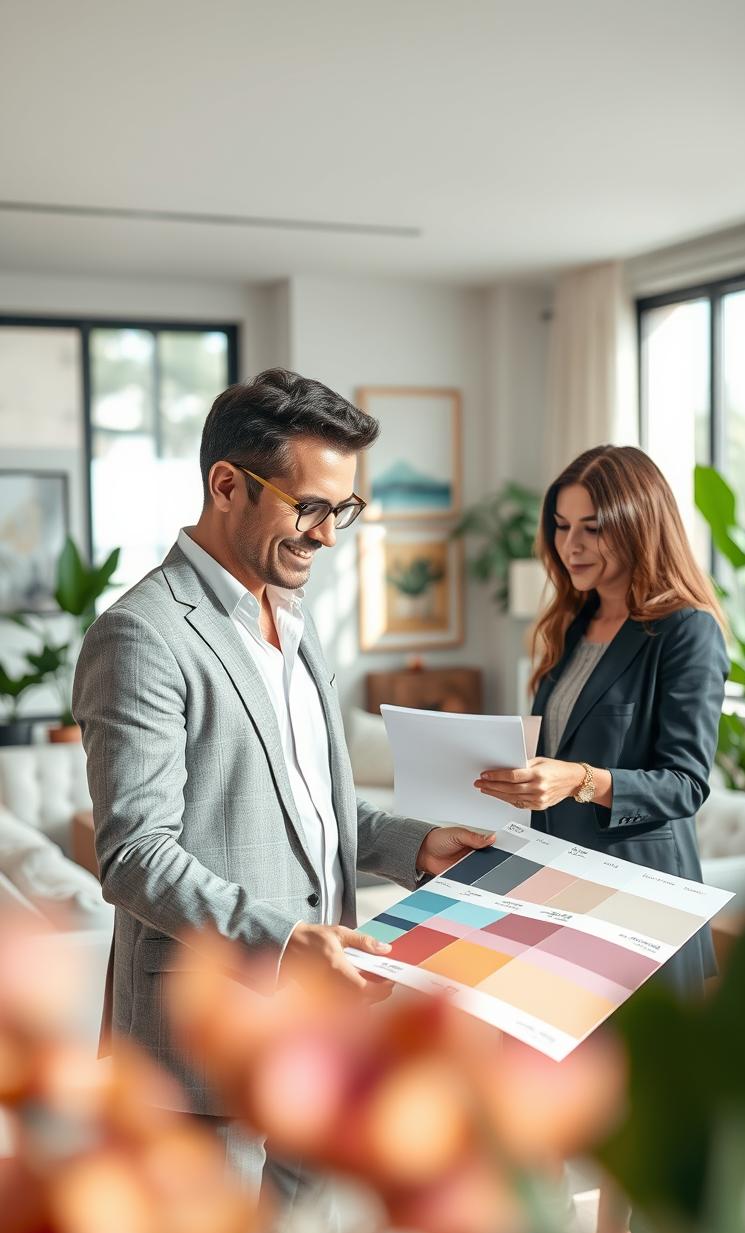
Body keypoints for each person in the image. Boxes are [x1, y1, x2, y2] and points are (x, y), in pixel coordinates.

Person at [73, 367, 492, 1182]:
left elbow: (318, 813)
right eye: (310, 508)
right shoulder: (143, 635)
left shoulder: (296, 625)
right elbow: (135, 856)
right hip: (200, 1049)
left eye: (344, 511)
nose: (329, 536)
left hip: (318, 1030)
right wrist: (287, 944)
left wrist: (420, 845)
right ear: (226, 484)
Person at [474, 444, 728, 1233]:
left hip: (639, 894)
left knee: (629, 1095)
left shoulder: (684, 633)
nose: (571, 544)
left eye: (592, 527)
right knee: (534, 1074)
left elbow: (685, 783)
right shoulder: (570, 625)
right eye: (561, 526)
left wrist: (579, 779)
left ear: (637, 524)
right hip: (551, 882)